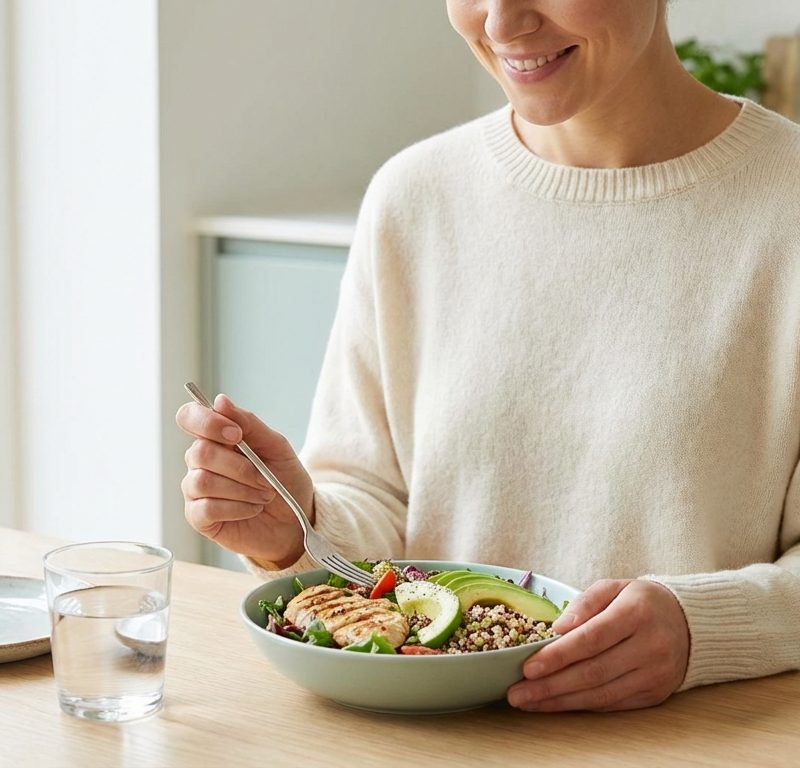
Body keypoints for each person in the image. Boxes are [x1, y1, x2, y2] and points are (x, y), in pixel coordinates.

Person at [176, 0, 800, 712]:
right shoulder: (415, 197)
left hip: (695, 744)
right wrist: (299, 525)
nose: (501, 24)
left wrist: (704, 629)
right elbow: (380, 505)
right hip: (423, 742)